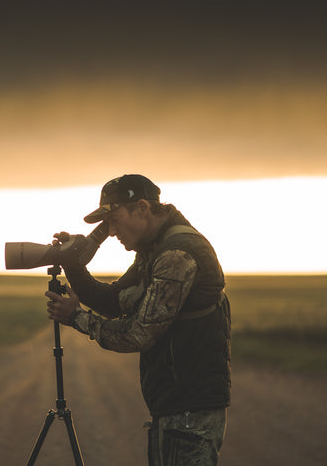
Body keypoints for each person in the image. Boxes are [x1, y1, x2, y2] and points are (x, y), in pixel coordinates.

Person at [45, 174, 231, 466]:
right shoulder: (155, 248)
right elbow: (114, 301)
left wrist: (78, 318)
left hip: (188, 414)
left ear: (143, 208)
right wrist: (73, 265)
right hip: (175, 408)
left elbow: (139, 334)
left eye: (114, 221)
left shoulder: (176, 254)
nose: (112, 231)